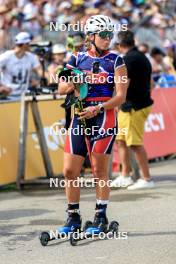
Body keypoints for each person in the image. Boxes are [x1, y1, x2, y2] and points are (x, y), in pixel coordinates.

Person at [58, 15, 128, 234]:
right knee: (69, 170)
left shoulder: (116, 60)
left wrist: (97, 108)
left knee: (99, 170)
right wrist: (73, 82)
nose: (108, 39)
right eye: (104, 35)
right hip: (80, 115)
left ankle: (100, 215)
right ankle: (73, 216)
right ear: (91, 36)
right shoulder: (76, 58)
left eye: (111, 35)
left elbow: (121, 97)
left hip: (103, 115)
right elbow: (61, 89)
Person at [111, 30, 155, 190]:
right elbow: (152, 83)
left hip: (133, 107)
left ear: (120, 45)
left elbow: (124, 86)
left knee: (135, 144)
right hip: (133, 105)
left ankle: (147, 178)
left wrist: (115, 103)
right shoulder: (142, 56)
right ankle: (125, 175)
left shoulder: (128, 60)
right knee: (121, 141)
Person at [0, 31, 41, 99]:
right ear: (25, 44)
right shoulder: (7, 56)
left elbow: (40, 71)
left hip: (23, 97)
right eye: (29, 43)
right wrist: (1, 86)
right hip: (8, 97)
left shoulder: (31, 57)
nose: (30, 45)